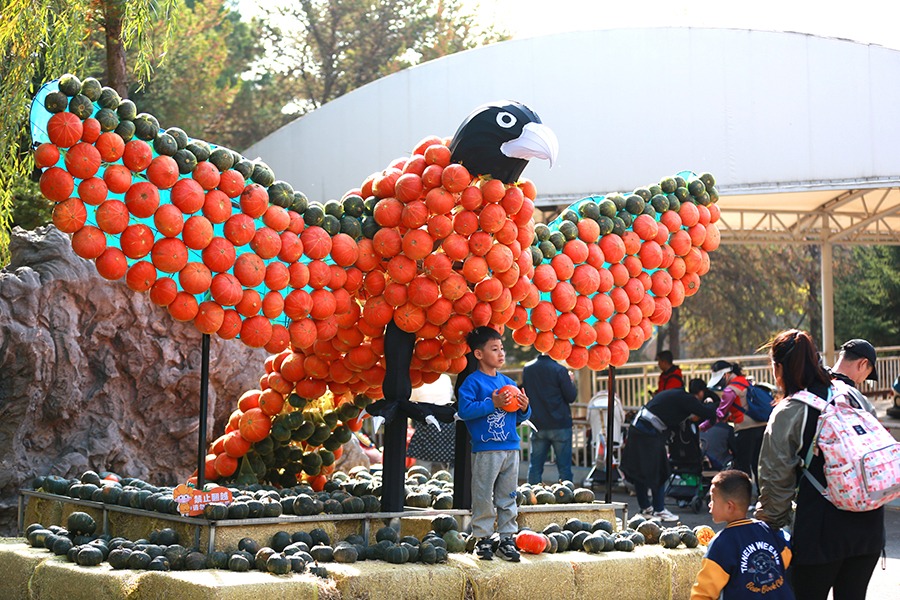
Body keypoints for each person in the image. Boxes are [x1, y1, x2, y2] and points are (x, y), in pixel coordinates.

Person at [755, 329, 885, 600]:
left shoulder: (790, 411)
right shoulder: (854, 397)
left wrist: (769, 527)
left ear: (778, 368)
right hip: (869, 526)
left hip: (820, 530)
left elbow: (775, 480)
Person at [457, 326, 531, 561]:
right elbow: (465, 411)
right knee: (483, 495)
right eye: (495, 349)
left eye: (502, 348)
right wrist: (493, 403)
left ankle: (507, 538)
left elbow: (516, 418)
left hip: (511, 448)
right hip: (486, 450)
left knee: (508, 495)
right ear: (479, 354)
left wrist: (525, 408)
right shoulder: (472, 383)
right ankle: (483, 538)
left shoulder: (508, 381)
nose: (501, 353)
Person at [620, 378, 718, 522]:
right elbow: (707, 412)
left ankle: (646, 508)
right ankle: (659, 509)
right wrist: (712, 402)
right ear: (701, 393)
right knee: (660, 471)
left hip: (638, 429)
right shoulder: (688, 399)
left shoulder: (677, 395)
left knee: (640, 473)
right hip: (648, 432)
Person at [691, 470, 794, 600]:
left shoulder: (721, 543)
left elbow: (704, 593)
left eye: (713, 500)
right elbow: (786, 554)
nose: (709, 505)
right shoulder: (766, 528)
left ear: (729, 506)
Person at [708, 360, 766, 490]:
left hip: (746, 429)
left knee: (743, 465)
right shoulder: (745, 382)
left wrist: (704, 426)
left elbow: (720, 414)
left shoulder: (730, 390)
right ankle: (761, 494)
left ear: (726, 375)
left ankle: (745, 495)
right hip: (762, 426)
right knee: (758, 464)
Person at [521, 352, 578, 484]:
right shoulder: (560, 370)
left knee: (535, 467)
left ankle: (532, 494)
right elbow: (571, 396)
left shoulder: (528, 368)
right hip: (560, 424)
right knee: (564, 468)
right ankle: (566, 494)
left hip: (537, 424)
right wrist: (570, 381)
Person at [406, 373, 456, 474]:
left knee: (423, 461)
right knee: (447, 460)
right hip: (446, 422)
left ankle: (420, 479)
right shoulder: (445, 378)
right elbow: (449, 395)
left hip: (427, 420)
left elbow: (411, 400)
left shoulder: (419, 380)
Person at [827, 338, 878, 415]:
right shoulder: (860, 403)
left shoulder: (814, 383)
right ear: (863, 364)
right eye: (867, 375)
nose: (862, 381)